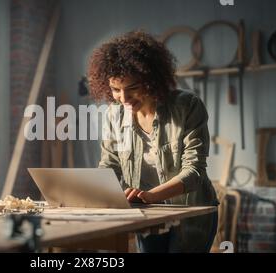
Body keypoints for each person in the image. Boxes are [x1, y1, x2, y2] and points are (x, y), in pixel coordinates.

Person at [87, 31, 219, 252]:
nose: (124, 98)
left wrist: (150, 196)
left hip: (191, 214)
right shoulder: (114, 114)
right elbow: (109, 165)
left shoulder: (187, 106)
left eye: (132, 88)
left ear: (150, 80)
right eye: (115, 90)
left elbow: (194, 171)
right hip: (148, 215)